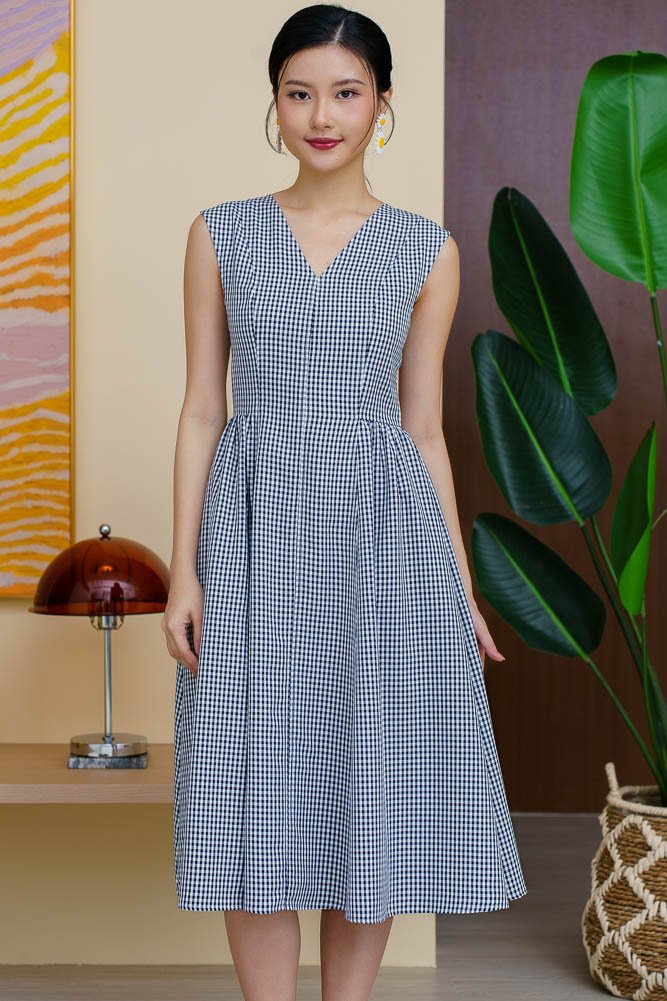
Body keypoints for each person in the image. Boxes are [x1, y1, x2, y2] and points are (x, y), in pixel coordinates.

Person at [162, 4, 527, 1000]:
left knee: (370, 783)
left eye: (345, 92)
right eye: (299, 92)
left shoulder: (425, 249)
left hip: (382, 540)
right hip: (253, 535)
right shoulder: (220, 233)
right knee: (254, 790)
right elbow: (201, 409)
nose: (321, 115)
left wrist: (458, 585)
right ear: (274, 103)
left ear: (382, 103)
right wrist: (183, 571)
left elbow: (423, 431)